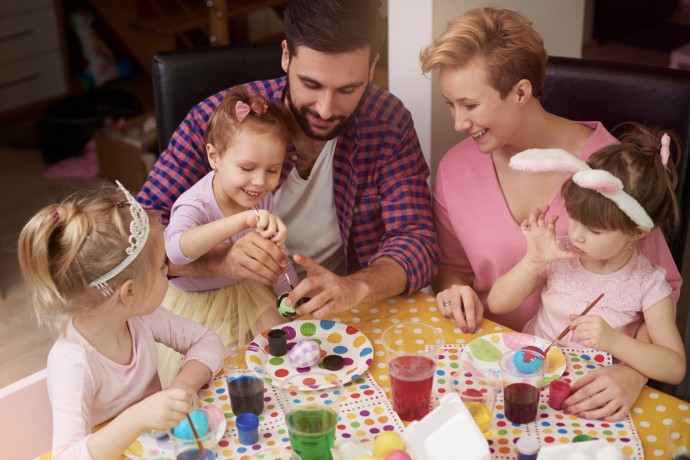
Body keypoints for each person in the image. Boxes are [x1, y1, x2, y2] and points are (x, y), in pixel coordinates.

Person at [419, 7, 681, 420]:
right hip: (498, 369)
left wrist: (632, 373)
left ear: (521, 93)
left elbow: (663, 284)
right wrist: (454, 292)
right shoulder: (454, 168)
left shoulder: (612, 173)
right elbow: (451, 269)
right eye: (450, 104)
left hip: (587, 386)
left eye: (469, 104)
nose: (457, 122)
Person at [137, 0, 439, 319]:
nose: (325, 109)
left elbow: (417, 241)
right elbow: (138, 241)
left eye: (348, 89)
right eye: (311, 84)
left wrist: (358, 286)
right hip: (229, 314)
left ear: (372, 65)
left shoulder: (387, 122)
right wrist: (221, 261)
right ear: (285, 55)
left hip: (344, 310)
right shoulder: (213, 123)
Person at [17, 181, 224, 459]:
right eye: (163, 266)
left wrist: (181, 387)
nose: (169, 270)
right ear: (130, 291)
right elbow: (65, 455)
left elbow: (207, 340)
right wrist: (137, 418)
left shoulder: (140, 317)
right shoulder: (74, 362)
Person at [488, 126, 686, 385]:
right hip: (529, 376)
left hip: (586, 393)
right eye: (574, 219)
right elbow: (497, 303)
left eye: (594, 230)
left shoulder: (647, 283)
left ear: (636, 233)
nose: (577, 235)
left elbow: (674, 368)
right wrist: (533, 260)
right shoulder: (562, 252)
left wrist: (614, 341)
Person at [159, 87, 298, 385]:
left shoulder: (260, 196)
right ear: (214, 157)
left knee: (283, 350)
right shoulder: (194, 203)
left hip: (247, 293)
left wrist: (293, 297)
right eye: (247, 168)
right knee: (223, 373)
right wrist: (241, 221)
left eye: (273, 170)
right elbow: (175, 250)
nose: (260, 182)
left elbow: (276, 254)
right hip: (197, 305)